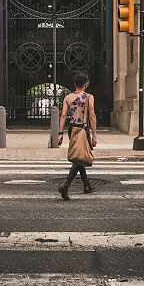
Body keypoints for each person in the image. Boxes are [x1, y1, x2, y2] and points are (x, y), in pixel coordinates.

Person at [57, 72, 97, 200]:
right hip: (82, 129)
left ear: (75, 84)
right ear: (85, 84)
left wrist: (60, 133)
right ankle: (66, 184)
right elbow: (92, 116)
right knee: (79, 158)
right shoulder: (88, 97)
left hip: (71, 128)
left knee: (79, 156)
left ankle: (87, 185)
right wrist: (94, 135)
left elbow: (63, 115)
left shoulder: (67, 97)